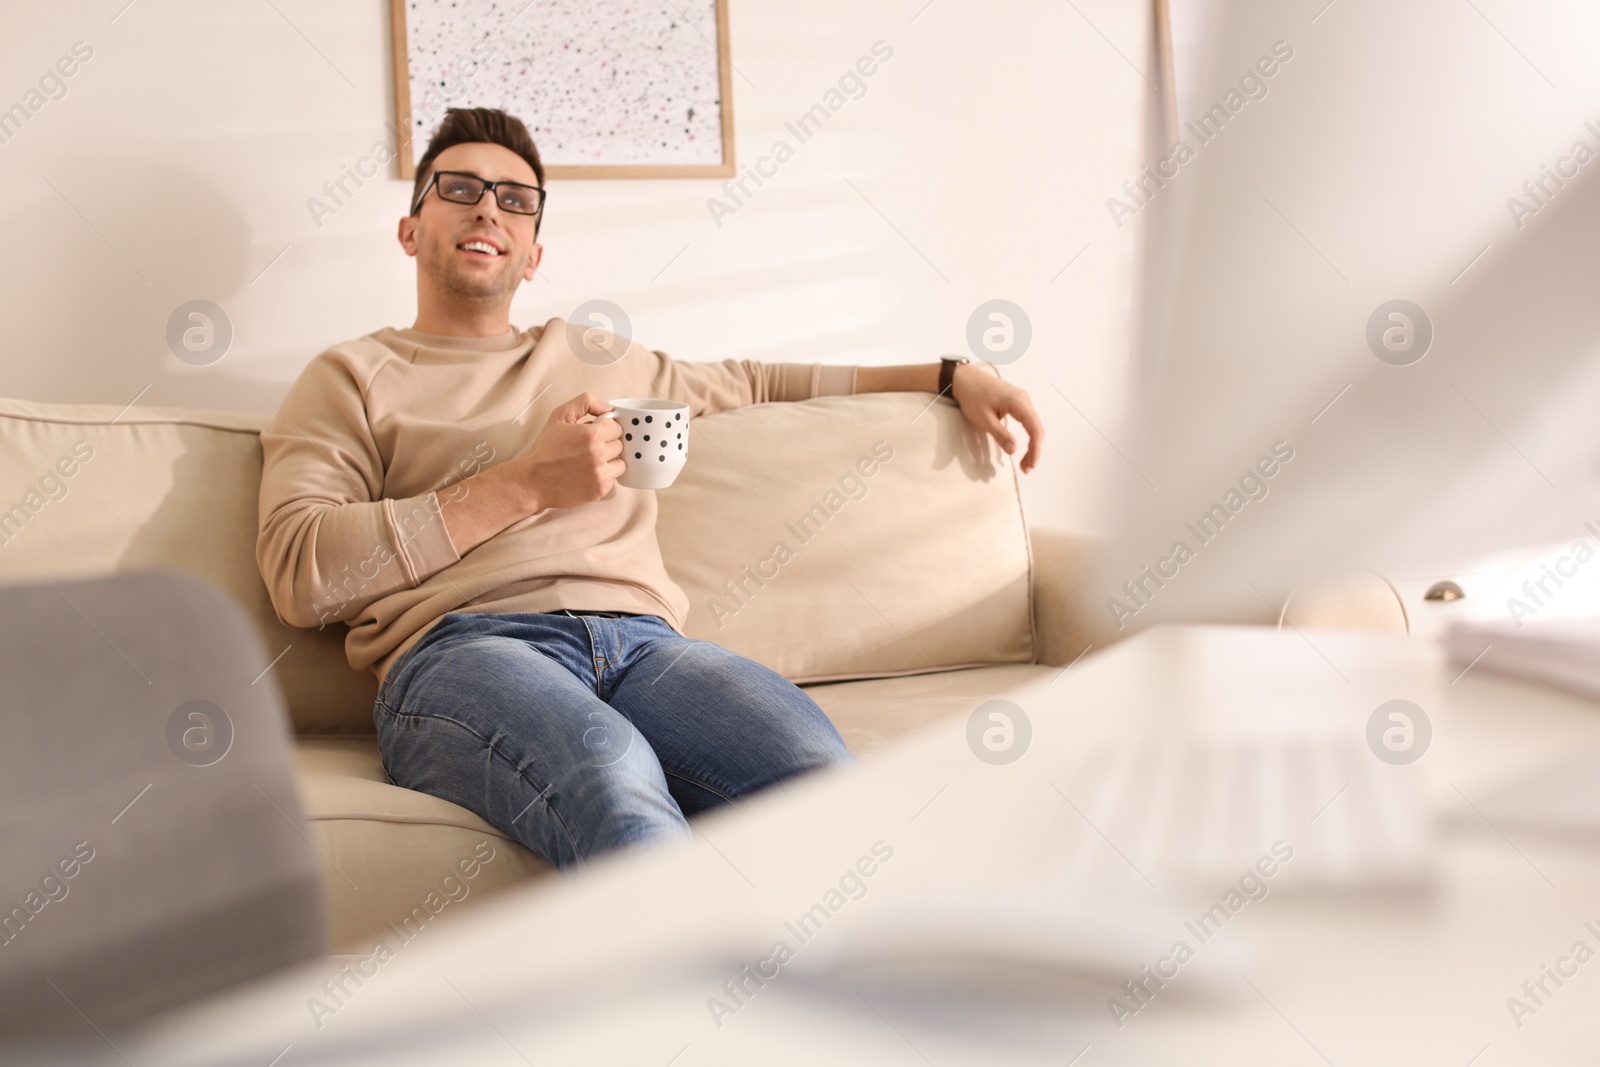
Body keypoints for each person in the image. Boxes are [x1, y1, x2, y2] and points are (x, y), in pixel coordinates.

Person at [256, 107, 1044, 869]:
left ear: (533, 253)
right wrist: (526, 483)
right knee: (615, 776)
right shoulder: (351, 376)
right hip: (464, 653)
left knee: (820, 779)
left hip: (647, 647)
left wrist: (951, 374)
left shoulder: (597, 354)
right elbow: (302, 572)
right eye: (459, 188)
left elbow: (760, 380)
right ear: (410, 229)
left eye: (516, 198)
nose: (488, 207)